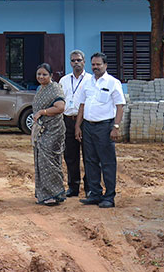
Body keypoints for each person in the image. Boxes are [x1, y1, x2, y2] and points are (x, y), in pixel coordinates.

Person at [75, 52, 124, 209]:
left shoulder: (113, 82)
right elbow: (82, 105)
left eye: (98, 64)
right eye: (93, 64)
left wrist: (116, 127)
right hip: (88, 127)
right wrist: (78, 126)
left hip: (105, 127)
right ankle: (95, 194)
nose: (95, 67)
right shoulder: (87, 83)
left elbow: (120, 107)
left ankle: (109, 197)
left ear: (105, 65)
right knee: (90, 161)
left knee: (107, 162)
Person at [31, 62, 67, 205]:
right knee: (41, 160)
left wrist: (42, 112)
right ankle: (44, 194)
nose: (41, 77)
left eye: (44, 74)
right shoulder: (40, 88)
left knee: (49, 161)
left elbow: (60, 107)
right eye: (39, 74)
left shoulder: (55, 89)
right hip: (42, 130)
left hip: (54, 130)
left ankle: (54, 194)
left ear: (51, 75)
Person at [60, 49, 91, 198]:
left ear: (84, 62)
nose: (76, 63)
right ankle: (73, 187)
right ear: (70, 63)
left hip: (86, 122)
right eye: (73, 60)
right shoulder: (64, 80)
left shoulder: (91, 80)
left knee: (89, 155)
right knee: (70, 156)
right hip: (68, 120)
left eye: (79, 60)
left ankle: (90, 187)